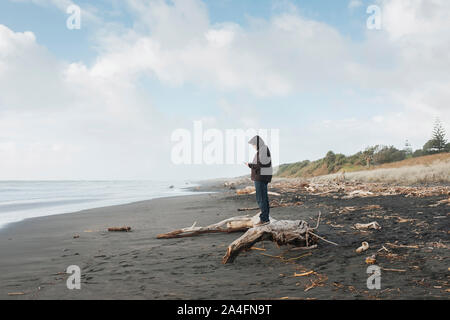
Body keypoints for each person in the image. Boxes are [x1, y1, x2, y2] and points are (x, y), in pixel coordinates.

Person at [245, 135, 273, 226]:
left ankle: (264, 219)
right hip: (261, 177)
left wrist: (250, 165)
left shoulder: (263, 150)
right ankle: (265, 218)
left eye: (253, 145)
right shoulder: (262, 150)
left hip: (261, 177)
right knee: (262, 198)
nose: (253, 147)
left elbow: (260, 164)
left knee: (261, 199)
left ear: (257, 143)